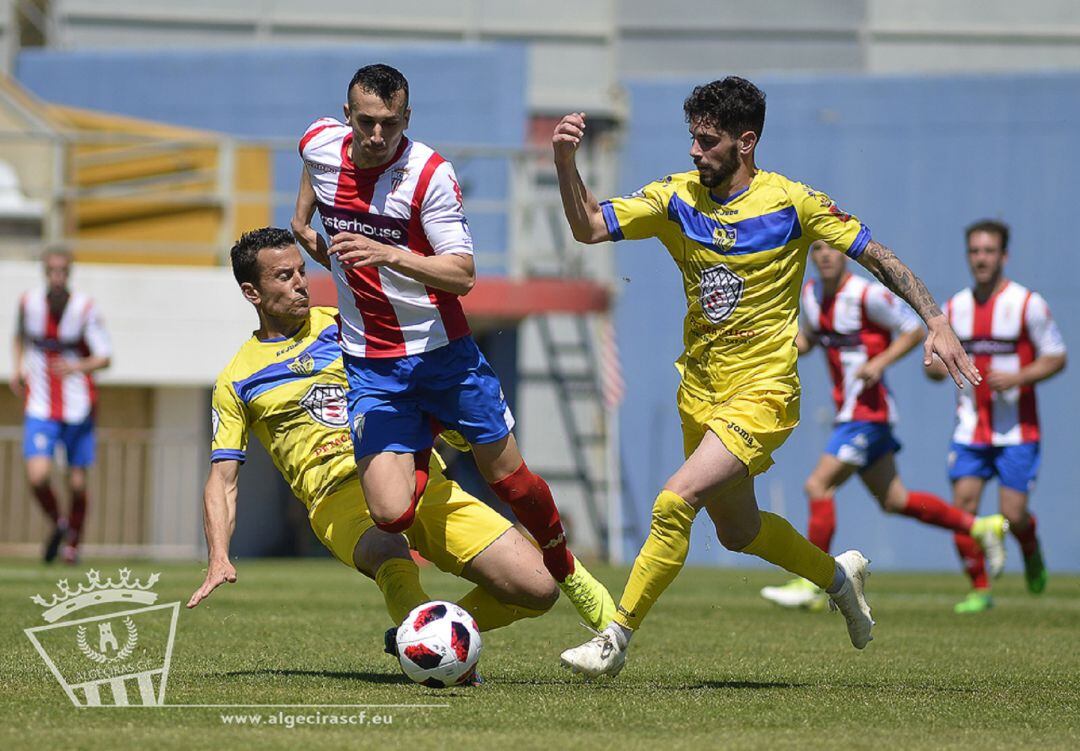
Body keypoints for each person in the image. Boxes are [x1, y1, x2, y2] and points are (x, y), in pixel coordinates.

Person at [552, 76, 980, 677]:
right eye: (692, 139)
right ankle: (837, 576)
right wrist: (564, 164)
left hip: (764, 393)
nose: (695, 152)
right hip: (700, 392)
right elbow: (589, 226)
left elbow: (876, 254)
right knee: (738, 531)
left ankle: (614, 636)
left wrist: (935, 318)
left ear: (746, 142)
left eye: (708, 141)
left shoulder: (793, 202)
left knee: (675, 501)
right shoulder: (678, 198)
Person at [291, 63, 614, 630]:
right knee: (390, 515)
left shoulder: (428, 175)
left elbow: (462, 275)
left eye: (390, 124)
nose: (376, 136)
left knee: (509, 480)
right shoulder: (320, 144)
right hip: (371, 363)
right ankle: (430, 433)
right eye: (366, 122)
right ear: (347, 116)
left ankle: (567, 569)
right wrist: (301, 223)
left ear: (406, 119)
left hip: (443, 356)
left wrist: (389, 254)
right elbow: (310, 170)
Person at [187, 229, 560, 675]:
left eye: (302, 271)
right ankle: (436, 652)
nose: (301, 283)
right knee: (389, 550)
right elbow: (222, 479)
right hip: (338, 499)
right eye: (284, 277)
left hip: (419, 475)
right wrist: (219, 555)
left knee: (538, 588)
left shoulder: (349, 325)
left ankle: (425, 638)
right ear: (252, 292)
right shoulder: (237, 379)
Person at [760, 241, 1008, 610]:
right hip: (851, 413)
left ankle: (810, 582)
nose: (825, 256)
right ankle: (978, 527)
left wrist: (880, 363)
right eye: (817, 251)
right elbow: (809, 339)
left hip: (868, 413)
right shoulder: (811, 295)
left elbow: (910, 329)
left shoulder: (865, 294)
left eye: (832, 249)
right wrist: (773, 345)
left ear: (844, 256)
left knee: (818, 486)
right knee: (895, 500)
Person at [927, 220, 1066, 613]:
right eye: (974, 251)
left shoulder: (1027, 304)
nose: (981, 259)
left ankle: (1030, 545)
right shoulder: (954, 308)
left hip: (1016, 430)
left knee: (1013, 514)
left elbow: (1057, 357)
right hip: (970, 429)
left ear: (1003, 256)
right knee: (962, 513)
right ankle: (980, 590)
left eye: (988, 251)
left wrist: (1019, 376)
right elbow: (933, 366)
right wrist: (943, 368)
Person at [12, 247, 111, 564]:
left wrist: (78, 367)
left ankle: (73, 545)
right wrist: (17, 368)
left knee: (77, 482)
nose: (57, 276)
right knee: (37, 476)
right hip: (40, 403)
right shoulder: (29, 303)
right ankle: (60, 523)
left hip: (78, 404)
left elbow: (105, 357)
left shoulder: (85, 308)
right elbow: (19, 337)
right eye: (52, 270)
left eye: (63, 271)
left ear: (69, 272)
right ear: (44, 271)